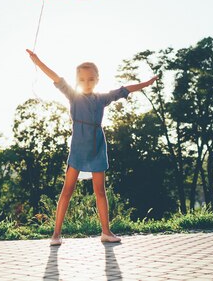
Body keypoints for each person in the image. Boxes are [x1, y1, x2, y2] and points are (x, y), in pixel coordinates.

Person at [26, 49, 157, 246]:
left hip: (97, 148)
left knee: (100, 192)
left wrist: (146, 84)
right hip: (78, 148)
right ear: (77, 81)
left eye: (90, 79)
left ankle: (106, 232)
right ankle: (56, 234)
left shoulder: (102, 99)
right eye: (82, 80)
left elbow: (124, 90)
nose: (86, 83)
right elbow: (56, 78)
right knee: (67, 191)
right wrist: (37, 61)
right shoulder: (73, 96)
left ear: (97, 80)